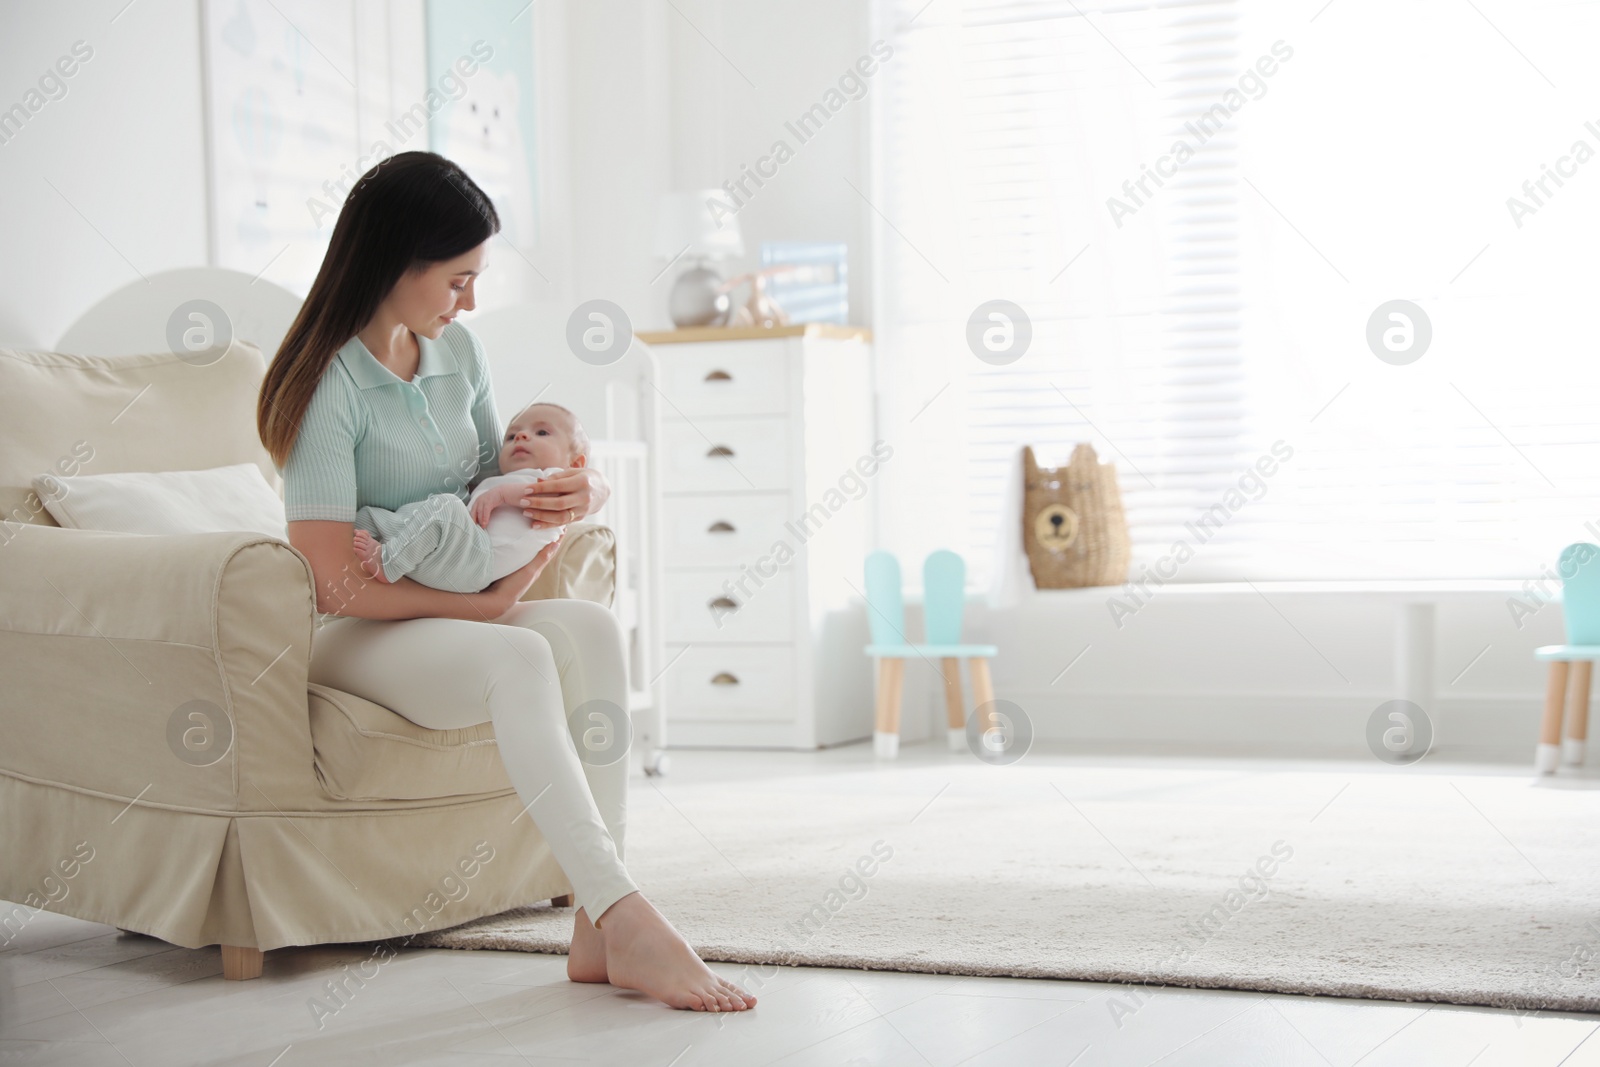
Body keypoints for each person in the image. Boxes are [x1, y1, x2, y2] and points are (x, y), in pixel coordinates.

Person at [256, 150, 755, 1013]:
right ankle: (626, 913)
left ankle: (598, 934)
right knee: (518, 656)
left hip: (445, 613)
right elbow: (330, 583)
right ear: (394, 262)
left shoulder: (461, 356)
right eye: (457, 280)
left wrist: (588, 485)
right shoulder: (325, 385)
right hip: (353, 633)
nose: (470, 302)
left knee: (593, 631)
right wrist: (479, 607)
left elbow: (499, 484)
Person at [349, 401, 588, 592]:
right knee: (403, 515)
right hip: (452, 558)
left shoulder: (556, 478)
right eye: (511, 435)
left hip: (479, 562)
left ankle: (389, 563)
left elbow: (551, 495)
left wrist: (504, 494)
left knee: (447, 507)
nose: (521, 436)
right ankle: (367, 525)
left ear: (575, 464)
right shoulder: (499, 480)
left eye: (542, 432)